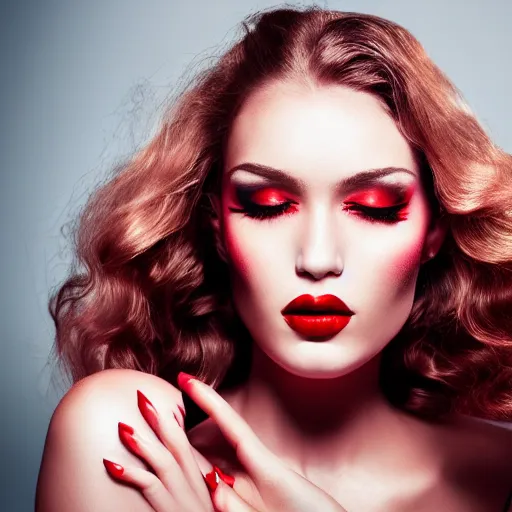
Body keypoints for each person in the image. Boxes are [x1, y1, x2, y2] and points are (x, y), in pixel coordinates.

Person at [35, 6, 512, 511]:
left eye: (374, 208)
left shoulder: (501, 478)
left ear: (435, 228)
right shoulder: (137, 450)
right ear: (216, 223)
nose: (318, 258)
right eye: (268, 206)